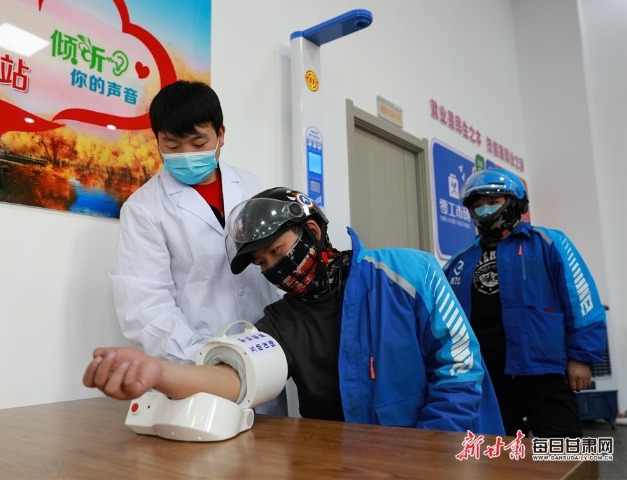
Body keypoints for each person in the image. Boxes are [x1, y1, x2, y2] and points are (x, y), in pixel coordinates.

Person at [88, 187, 504, 435]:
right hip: (350, 464)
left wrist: (426, 450)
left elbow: (460, 368)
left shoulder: (409, 271)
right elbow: (235, 377)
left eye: (276, 250)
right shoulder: (283, 321)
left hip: (447, 451)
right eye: (262, 263)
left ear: (313, 231)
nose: (273, 268)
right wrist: (157, 372)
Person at [109, 81, 284, 412]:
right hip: (195, 368)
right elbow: (145, 306)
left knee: (274, 443)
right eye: (172, 145)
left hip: (265, 359)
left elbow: (275, 270)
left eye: (198, 142)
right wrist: (205, 359)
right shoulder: (144, 208)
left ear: (221, 135)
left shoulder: (251, 186)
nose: (186, 155)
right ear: (157, 141)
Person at [442, 168, 607, 438]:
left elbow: (582, 300)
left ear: (515, 204)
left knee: (564, 450)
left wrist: (581, 357)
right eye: (478, 205)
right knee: (500, 451)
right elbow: (447, 320)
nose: (485, 210)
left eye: (493, 202)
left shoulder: (548, 242)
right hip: (487, 376)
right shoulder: (459, 261)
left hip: (543, 367)